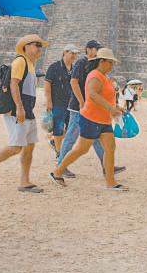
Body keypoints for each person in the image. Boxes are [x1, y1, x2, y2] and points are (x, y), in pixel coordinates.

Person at [0, 34, 47, 193]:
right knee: (16, 146)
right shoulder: (20, 61)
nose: (39, 48)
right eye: (36, 45)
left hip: (28, 110)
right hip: (18, 111)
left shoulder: (31, 64)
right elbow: (13, 84)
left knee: (29, 147)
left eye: (40, 45)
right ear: (26, 46)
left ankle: (24, 181)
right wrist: (19, 108)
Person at [50, 48, 127, 191]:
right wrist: (110, 109)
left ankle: (111, 182)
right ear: (102, 61)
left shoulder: (104, 77)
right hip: (91, 119)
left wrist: (116, 107)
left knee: (110, 148)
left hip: (103, 120)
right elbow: (92, 94)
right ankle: (58, 171)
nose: (112, 66)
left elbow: (104, 96)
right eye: (110, 62)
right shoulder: (95, 75)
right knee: (81, 149)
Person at [44, 44, 79, 158]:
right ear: (65, 52)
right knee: (58, 129)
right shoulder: (54, 67)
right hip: (57, 103)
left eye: (75, 54)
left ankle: (54, 142)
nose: (74, 56)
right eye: (72, 53)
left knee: (71, 130)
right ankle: (59, 153)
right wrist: (48, 101)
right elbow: (47, 85)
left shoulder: (75, 69)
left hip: (72, 105)